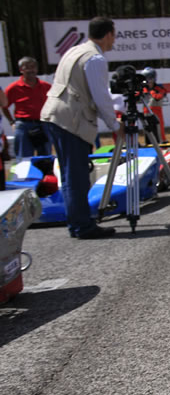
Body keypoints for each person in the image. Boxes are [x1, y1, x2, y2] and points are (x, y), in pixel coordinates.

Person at [39, 16, 120, 239]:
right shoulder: (94, 58)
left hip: (55, 115)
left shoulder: (75, 51)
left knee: (69, 175)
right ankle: (82, 225)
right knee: (76, 176)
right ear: (108, 34)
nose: (114, 41)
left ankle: (77, 222)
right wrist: (115, 124)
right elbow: (101, 97)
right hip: (71, 120)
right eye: (114, 35)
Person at [2, 57, 52, 158]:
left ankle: (45, 174)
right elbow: (4, 106)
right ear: (21, 70)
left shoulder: (46, 86)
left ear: (37, 69)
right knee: (24, 158)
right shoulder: (13, 88)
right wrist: (12, 122)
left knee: (46, 157)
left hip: (43, 124)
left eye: (33, 67)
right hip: (23, 125)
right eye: (26, 68)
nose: (30, 70)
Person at [140, 67, 168, 142]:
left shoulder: (159, 88)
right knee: (147, 133)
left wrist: (151, 92)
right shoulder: (142, 89)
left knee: (159, 132)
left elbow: (158, 97)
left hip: (156, 114)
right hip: (146, 113)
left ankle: (162, 147)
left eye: (147, 78)